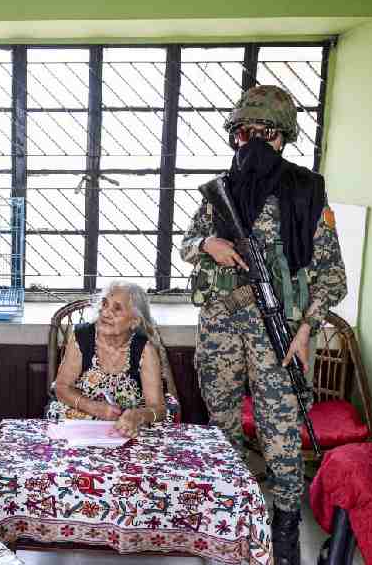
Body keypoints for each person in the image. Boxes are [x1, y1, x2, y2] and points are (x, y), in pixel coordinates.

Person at [180, 85, 347, 565]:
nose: (252, 143)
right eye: (243, 133)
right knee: (222, 422)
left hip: (282, 333)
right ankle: (231, 513)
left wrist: (306, 328)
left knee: (281, 431)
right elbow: (188, 242)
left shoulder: (307, 193)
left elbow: (331, 276)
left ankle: (286, 525)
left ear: (283, 138)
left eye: (264, 133)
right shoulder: (220, 192)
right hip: (221, 327)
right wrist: (208, 242)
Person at [45, 281, 178, 436]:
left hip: (126, 428)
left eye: (117, 308)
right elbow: (61, 388)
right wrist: (93, 407)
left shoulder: (144, 350)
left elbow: (158, 409)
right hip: (81, 421)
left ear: (134, 321)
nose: (106, 312)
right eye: (104, 304)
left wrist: (138, 416)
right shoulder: (82, 338)